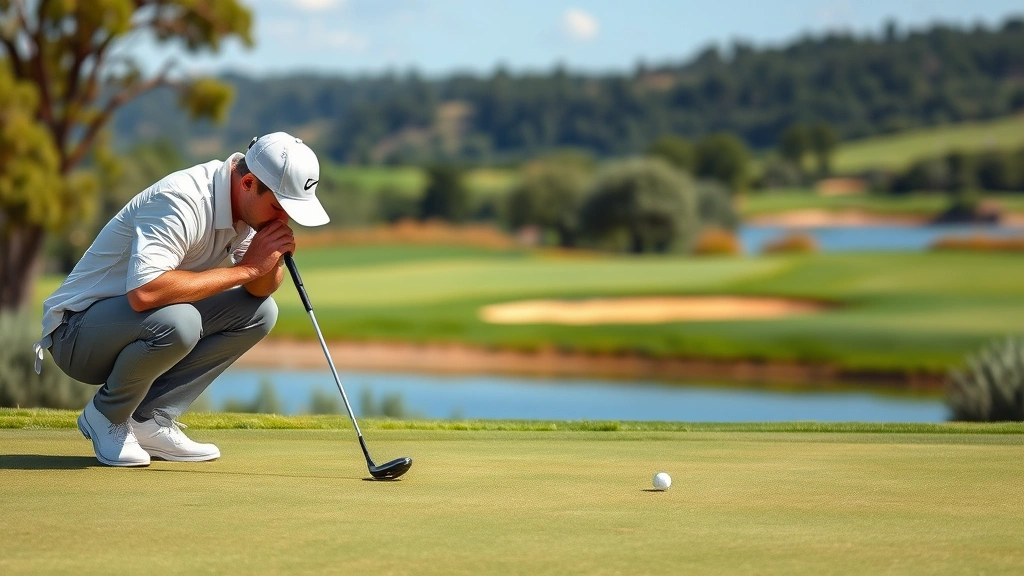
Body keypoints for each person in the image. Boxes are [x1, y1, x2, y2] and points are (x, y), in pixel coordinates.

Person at [33, 132, 329, 467]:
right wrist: (247, 270)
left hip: (133, 326)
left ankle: (149, 420)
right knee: (181, 322)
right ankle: (106, 415)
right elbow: (146, 293)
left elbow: (259, 290)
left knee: (260, 313)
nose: (283, 219)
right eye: (278, 207)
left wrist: (269, 257)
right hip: (76, 334)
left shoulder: (248, 211)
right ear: (248, 183)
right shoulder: (182, 199)